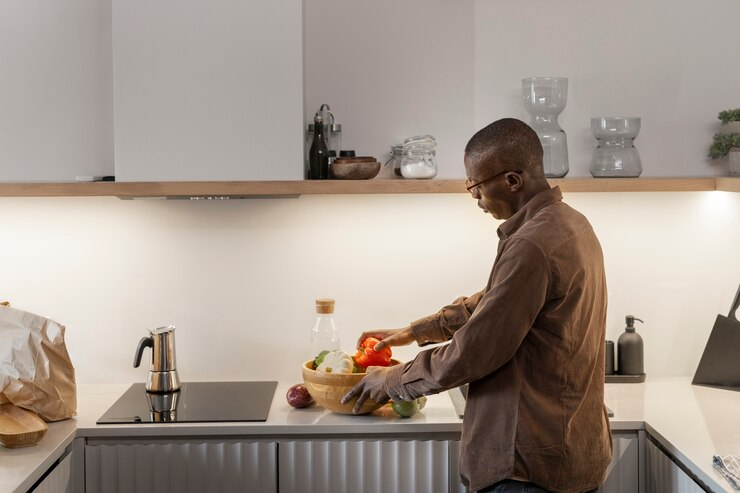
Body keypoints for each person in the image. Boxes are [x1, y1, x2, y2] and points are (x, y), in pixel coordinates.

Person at [342, 118, 612, 493]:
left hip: (526, 468)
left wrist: (392, 380)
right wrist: (417, 330)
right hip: (569, 454)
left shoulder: (531, 245)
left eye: (475, 187)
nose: (475, 199)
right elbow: (500, 300)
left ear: (512, 181)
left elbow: (474, 351)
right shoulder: (571, 225)